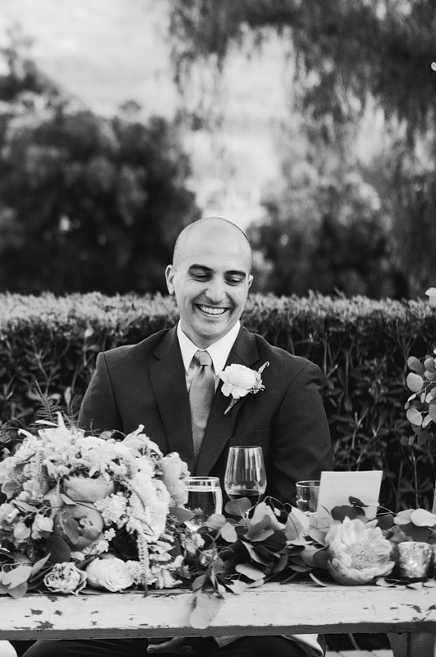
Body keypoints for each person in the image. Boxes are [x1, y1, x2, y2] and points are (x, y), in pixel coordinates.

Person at [22, 217, 332, 657]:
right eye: (200, 274)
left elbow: (303, 517)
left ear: (248, 286)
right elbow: (82, 503)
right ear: (172, 278)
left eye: (233, 279)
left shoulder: (291, 380)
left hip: (252, 619)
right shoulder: (118, 372)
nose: (216, 293)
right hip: (131, 613)